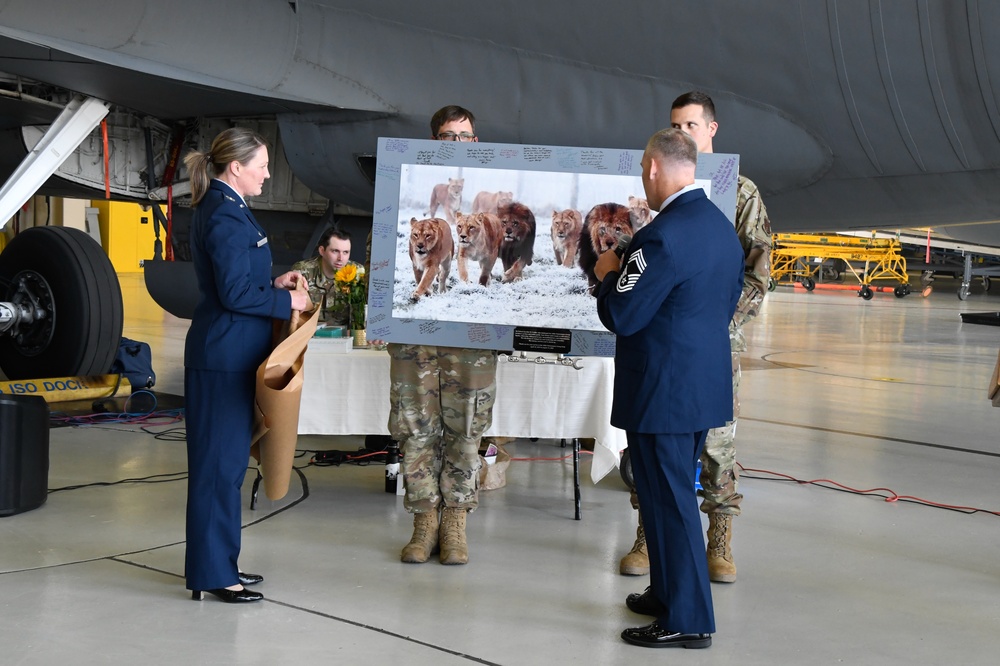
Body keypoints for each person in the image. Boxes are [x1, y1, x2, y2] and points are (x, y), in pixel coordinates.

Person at [595, 128, 743, 648]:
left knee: (672, 500)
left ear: (655, 169)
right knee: (660, 497)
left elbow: (623, 313)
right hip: (697, 388)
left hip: (663, 392)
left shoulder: (661, 237)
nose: (643, 179)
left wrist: (608, 272)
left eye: (642, 171)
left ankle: (690, 618)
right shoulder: (719, 228)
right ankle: (666, 592)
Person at [618, 91, 772, 583]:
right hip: (662, 345)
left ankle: (719, 539)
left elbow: (757, 273)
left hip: (713, 345)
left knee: (718, 449)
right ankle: (650, 535)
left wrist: (713, 325)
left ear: (712, 130)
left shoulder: (739, 194)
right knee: (655, 453)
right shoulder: (657, 196)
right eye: (675, 126)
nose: (683, 133)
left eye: (690, 125)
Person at [183, 127, 311, 603]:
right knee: (218, 469)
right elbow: (234, 294)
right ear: (235, 167)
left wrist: (274, 283)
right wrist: (288, 301)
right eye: (261, 164)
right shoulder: (224, 215)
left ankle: (220, 565)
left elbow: (235, 282)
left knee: (229, 466)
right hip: (223, 358)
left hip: (232, 355)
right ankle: (214, 574)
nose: (268, 172)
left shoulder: (227, 208)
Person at [388, 105, 498, 566]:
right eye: (449, 137)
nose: (459, 144)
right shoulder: (400, 180)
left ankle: (455, 522)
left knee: (466, 428)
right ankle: (423, 520)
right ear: (433, 140)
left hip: (472, 342)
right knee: (415, 427)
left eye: (466, 137)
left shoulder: (487, 191)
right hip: (413, 340)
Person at [292, 227, 363, 326]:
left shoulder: (356, 273)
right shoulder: (303, 271)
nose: (341, 258)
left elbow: (360, 314)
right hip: (309, 333)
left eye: (345, 252)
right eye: (335, 251)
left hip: (344, 334)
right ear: (322, 250)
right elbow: (294, 314)